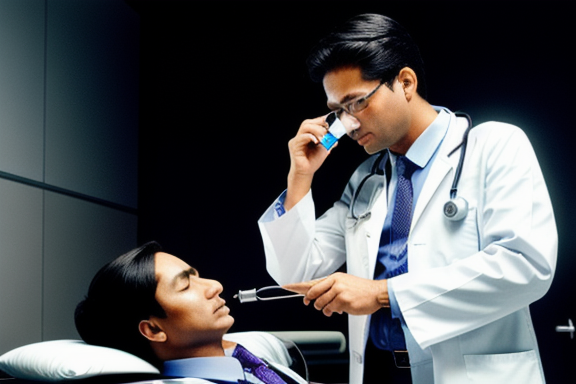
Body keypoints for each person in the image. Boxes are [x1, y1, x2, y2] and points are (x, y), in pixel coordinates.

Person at [258, 13, 557, 384]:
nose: (348, 125)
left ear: (405, 82)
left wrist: (384, 294)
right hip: (382, 373)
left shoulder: (494, 146)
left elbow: (526, 267)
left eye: (355, 104)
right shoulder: (366, 181)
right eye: (337, 112)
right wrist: (300, 175)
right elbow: (295, 275)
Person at [74, 241, 307, 384]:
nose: (215, 285)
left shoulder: (249, 361)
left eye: (196, 275)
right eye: (185, 285)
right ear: (154, 329)